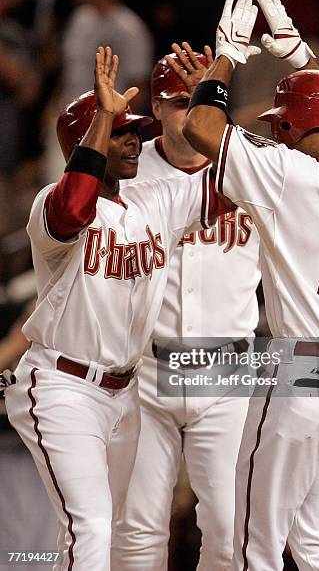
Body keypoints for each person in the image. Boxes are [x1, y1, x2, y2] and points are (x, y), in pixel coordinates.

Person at [182, 0, 319, 570]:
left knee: (256, 550)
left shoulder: (289, 176)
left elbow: (203, 127)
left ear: (296, 126)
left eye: (283, 124)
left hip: (304, 371)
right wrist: (302, 55)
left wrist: (226, 58)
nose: (277, 133)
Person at [4, 45, 231, 570]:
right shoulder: (49, 206)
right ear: (90, 140)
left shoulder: (154, 201)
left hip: (124, 393)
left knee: (105, 533)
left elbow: (235, 179)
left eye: (134, 131)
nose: (135, 141)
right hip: (63, 387)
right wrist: (101, 120)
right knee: (90, 527)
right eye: (121, 132)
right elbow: (74, 209)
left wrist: (211, 91)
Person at [114, 47, 261, 570]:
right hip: (145, 372)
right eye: (180, 102)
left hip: (229, 371)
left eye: (201, 99)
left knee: (229, 531)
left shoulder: (252, 163)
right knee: (136, 532)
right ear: (156, 107)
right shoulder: (126, 170)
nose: (192, 112)